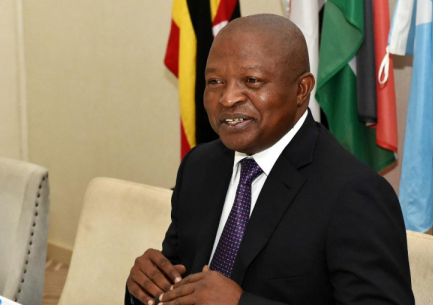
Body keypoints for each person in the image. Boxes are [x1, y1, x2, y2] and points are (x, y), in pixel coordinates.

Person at [126, 14, 415, 305]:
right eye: (215, 81)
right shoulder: (199, 166)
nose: (227, 99)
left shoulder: (353, 194)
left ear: (301, 90)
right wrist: (146, 287)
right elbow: (177, 282)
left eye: (251, 81)